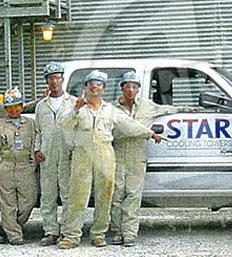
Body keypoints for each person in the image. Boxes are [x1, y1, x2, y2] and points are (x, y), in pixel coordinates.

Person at [57, 70, 163, 249]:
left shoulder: (110, 110)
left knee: (104, 196)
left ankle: (98, 234)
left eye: (98, 85)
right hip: (82, 154)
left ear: (103, 89)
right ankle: (71, 235)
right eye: (91, 84)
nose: (94, 87)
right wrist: (75, 110)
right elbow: (63, 124)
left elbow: (129, 125)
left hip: (105, 153)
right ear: (86, 87)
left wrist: (150, 134)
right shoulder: (76, 107)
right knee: (78, 196)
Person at [110, 71, 194, 247]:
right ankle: (117, 231)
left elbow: (167, 109)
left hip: (137, 154)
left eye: (134, 86)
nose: (131, 90)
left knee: (133, 194)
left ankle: (130, 233)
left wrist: (187, 109)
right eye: (127, 86)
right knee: (116, 195)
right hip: (116, 153)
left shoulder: (147, 106)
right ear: (122, 88)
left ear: (138, 89)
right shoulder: (111, 109)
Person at [34, 61, 77, 246]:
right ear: (47, 81)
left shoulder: (73, 103)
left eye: (57, 78)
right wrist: (37, 149)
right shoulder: (41, 106)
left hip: (67, 155)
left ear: (63, 79)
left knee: (68, 194)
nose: (54, 82)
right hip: (47, 156)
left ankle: (68, 231)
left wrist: (75, 149)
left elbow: (79, 128)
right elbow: (37, 131)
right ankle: (50, 231)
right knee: (48, 195)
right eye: (51, 78)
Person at [0, 87, 38, 245]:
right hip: (6, 166)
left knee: (29, 200)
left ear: (22, 106)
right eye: (10, 107)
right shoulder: (1, 125)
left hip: (25, 166)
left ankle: (8, 226)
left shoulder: (30, 123)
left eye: (16, 106)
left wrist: (33, 162)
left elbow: (36, 141)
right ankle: (14, 235)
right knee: (7, 203)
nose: (14, 110)